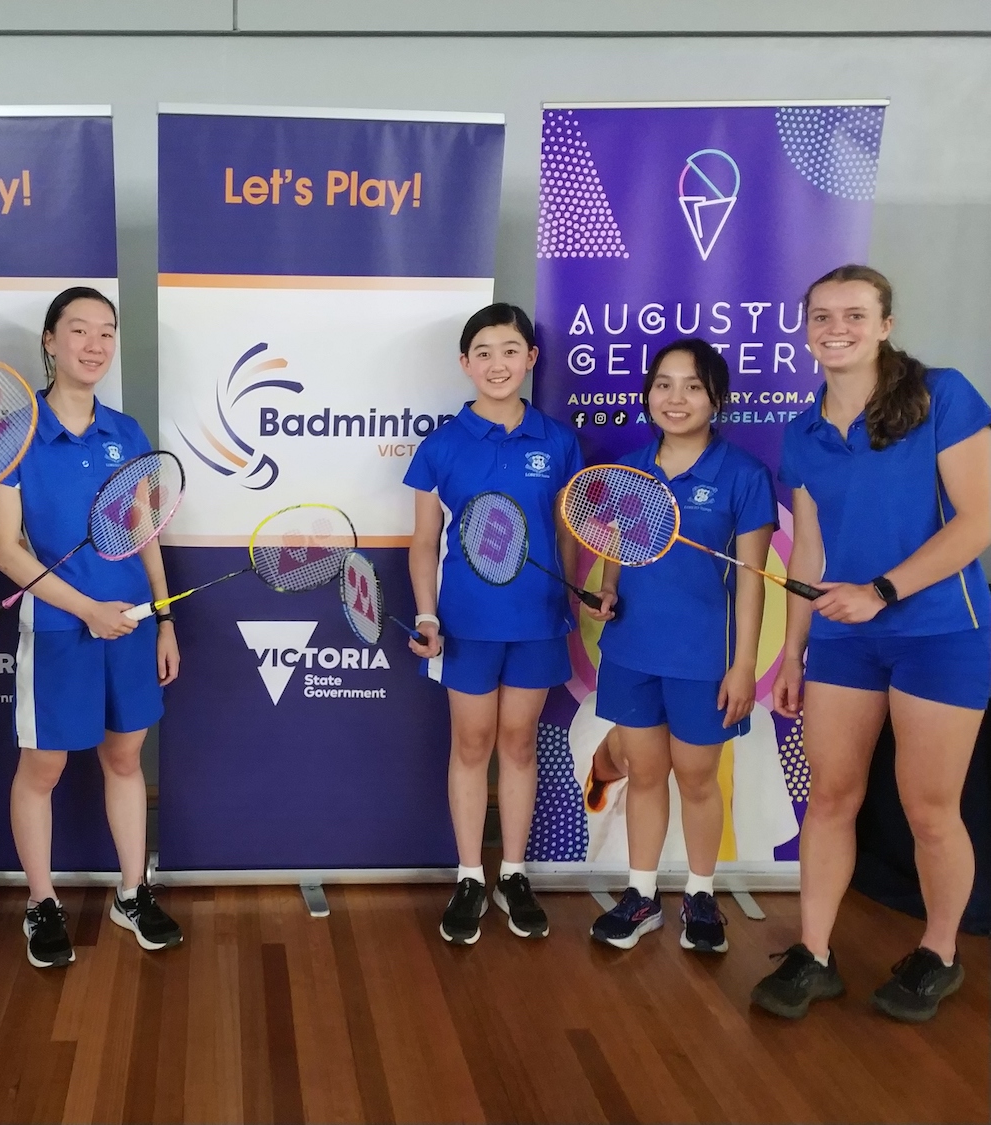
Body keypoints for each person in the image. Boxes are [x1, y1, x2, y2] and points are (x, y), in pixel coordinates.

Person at [751, 265, 991, 1022]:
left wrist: (884, 589)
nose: (836, 328)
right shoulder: (803, 430)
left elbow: (981, 518)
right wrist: (793, 653)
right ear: (806, 327)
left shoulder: (943, 394)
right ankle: (815, 953)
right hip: (845, 641)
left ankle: (939, 950)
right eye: (821, 315)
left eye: (854, 314)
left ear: (885, 324)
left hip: (939, 633)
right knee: (831, 796)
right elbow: (810, 555)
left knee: (928, 808)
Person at [0, 287, 182, 968]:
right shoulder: (14, 435)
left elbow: (144, 530)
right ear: (49, 340)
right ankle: (41, 902)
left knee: (125, 759)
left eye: (106, 332)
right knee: (43, 767)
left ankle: (134, 891)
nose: (95, 344)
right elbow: (4, 548)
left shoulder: (126, 433)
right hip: (62, 631)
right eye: (79, 330)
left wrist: (161, 617)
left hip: (127, 624)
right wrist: (85, 610)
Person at [580, 339, 776, 953]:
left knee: (696, 778)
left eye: (692, 386)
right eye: (663, 384)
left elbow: (751, 581)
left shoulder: (743, 475)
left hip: (702, 662)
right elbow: (619, 550)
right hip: (632, 653)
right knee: (645, 774)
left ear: (716, 398)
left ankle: (700, 893)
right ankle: (641, 895)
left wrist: (743, 666)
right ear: (647, 395)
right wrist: (608, 591)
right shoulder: (629, 470)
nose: (676, 398)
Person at [405, 302, 584, 944]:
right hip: (466, 625)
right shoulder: (442, 445)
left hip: (539, 623)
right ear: (465, 364)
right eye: (483, 352)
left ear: (531, 359)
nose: (497, 363)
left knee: (518, 743)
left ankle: (512, 873)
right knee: (472, 745)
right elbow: (424, 541)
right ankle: (468, 876)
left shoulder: (559, 441)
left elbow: (569, 533)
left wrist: (574, 598)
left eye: (511, 350)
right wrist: (427, 613)